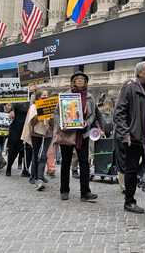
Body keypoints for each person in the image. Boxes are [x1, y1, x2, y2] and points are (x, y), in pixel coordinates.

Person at [114, 61, 145, 214]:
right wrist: (125, 133)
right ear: (139, 73)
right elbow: (119, 113)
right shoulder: (129, 87)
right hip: (134, 137)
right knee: (131, 170)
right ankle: (129, 202)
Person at [54, 71, 103, 202]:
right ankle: (64, 190)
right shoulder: (64, 96)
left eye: (83, 79)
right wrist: (61, 123)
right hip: (67, 134)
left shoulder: (90, 97)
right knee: (65, 162)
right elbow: (57, 113)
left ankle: (85, 192)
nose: (80, 80)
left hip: (83, 134)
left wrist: (87, 122)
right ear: (73, 82)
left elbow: (93, 114)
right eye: (78, 79)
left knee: (84, 163)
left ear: (86, 82)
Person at [22, 88, 53, 190]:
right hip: (37, 134)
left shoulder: (52, 107)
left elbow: (54, 123)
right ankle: (33, 176)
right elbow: (32, 122)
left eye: (46, 95)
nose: (45, 97)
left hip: (48, 134)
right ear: (38, 97)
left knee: (43, 156)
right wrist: (41, 113)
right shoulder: (33, 107)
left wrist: (51, 117)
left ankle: (40, 176)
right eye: (42, 95)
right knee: (36, 155)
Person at [5, 102, 31, 177]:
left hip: (27, 128)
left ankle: (25, 170)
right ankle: (9, 167)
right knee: (13, 150)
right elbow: (9, 105)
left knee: (28, 150)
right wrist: (11, 110)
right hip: (16, 129)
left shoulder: (33, 99)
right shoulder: (19, 97)